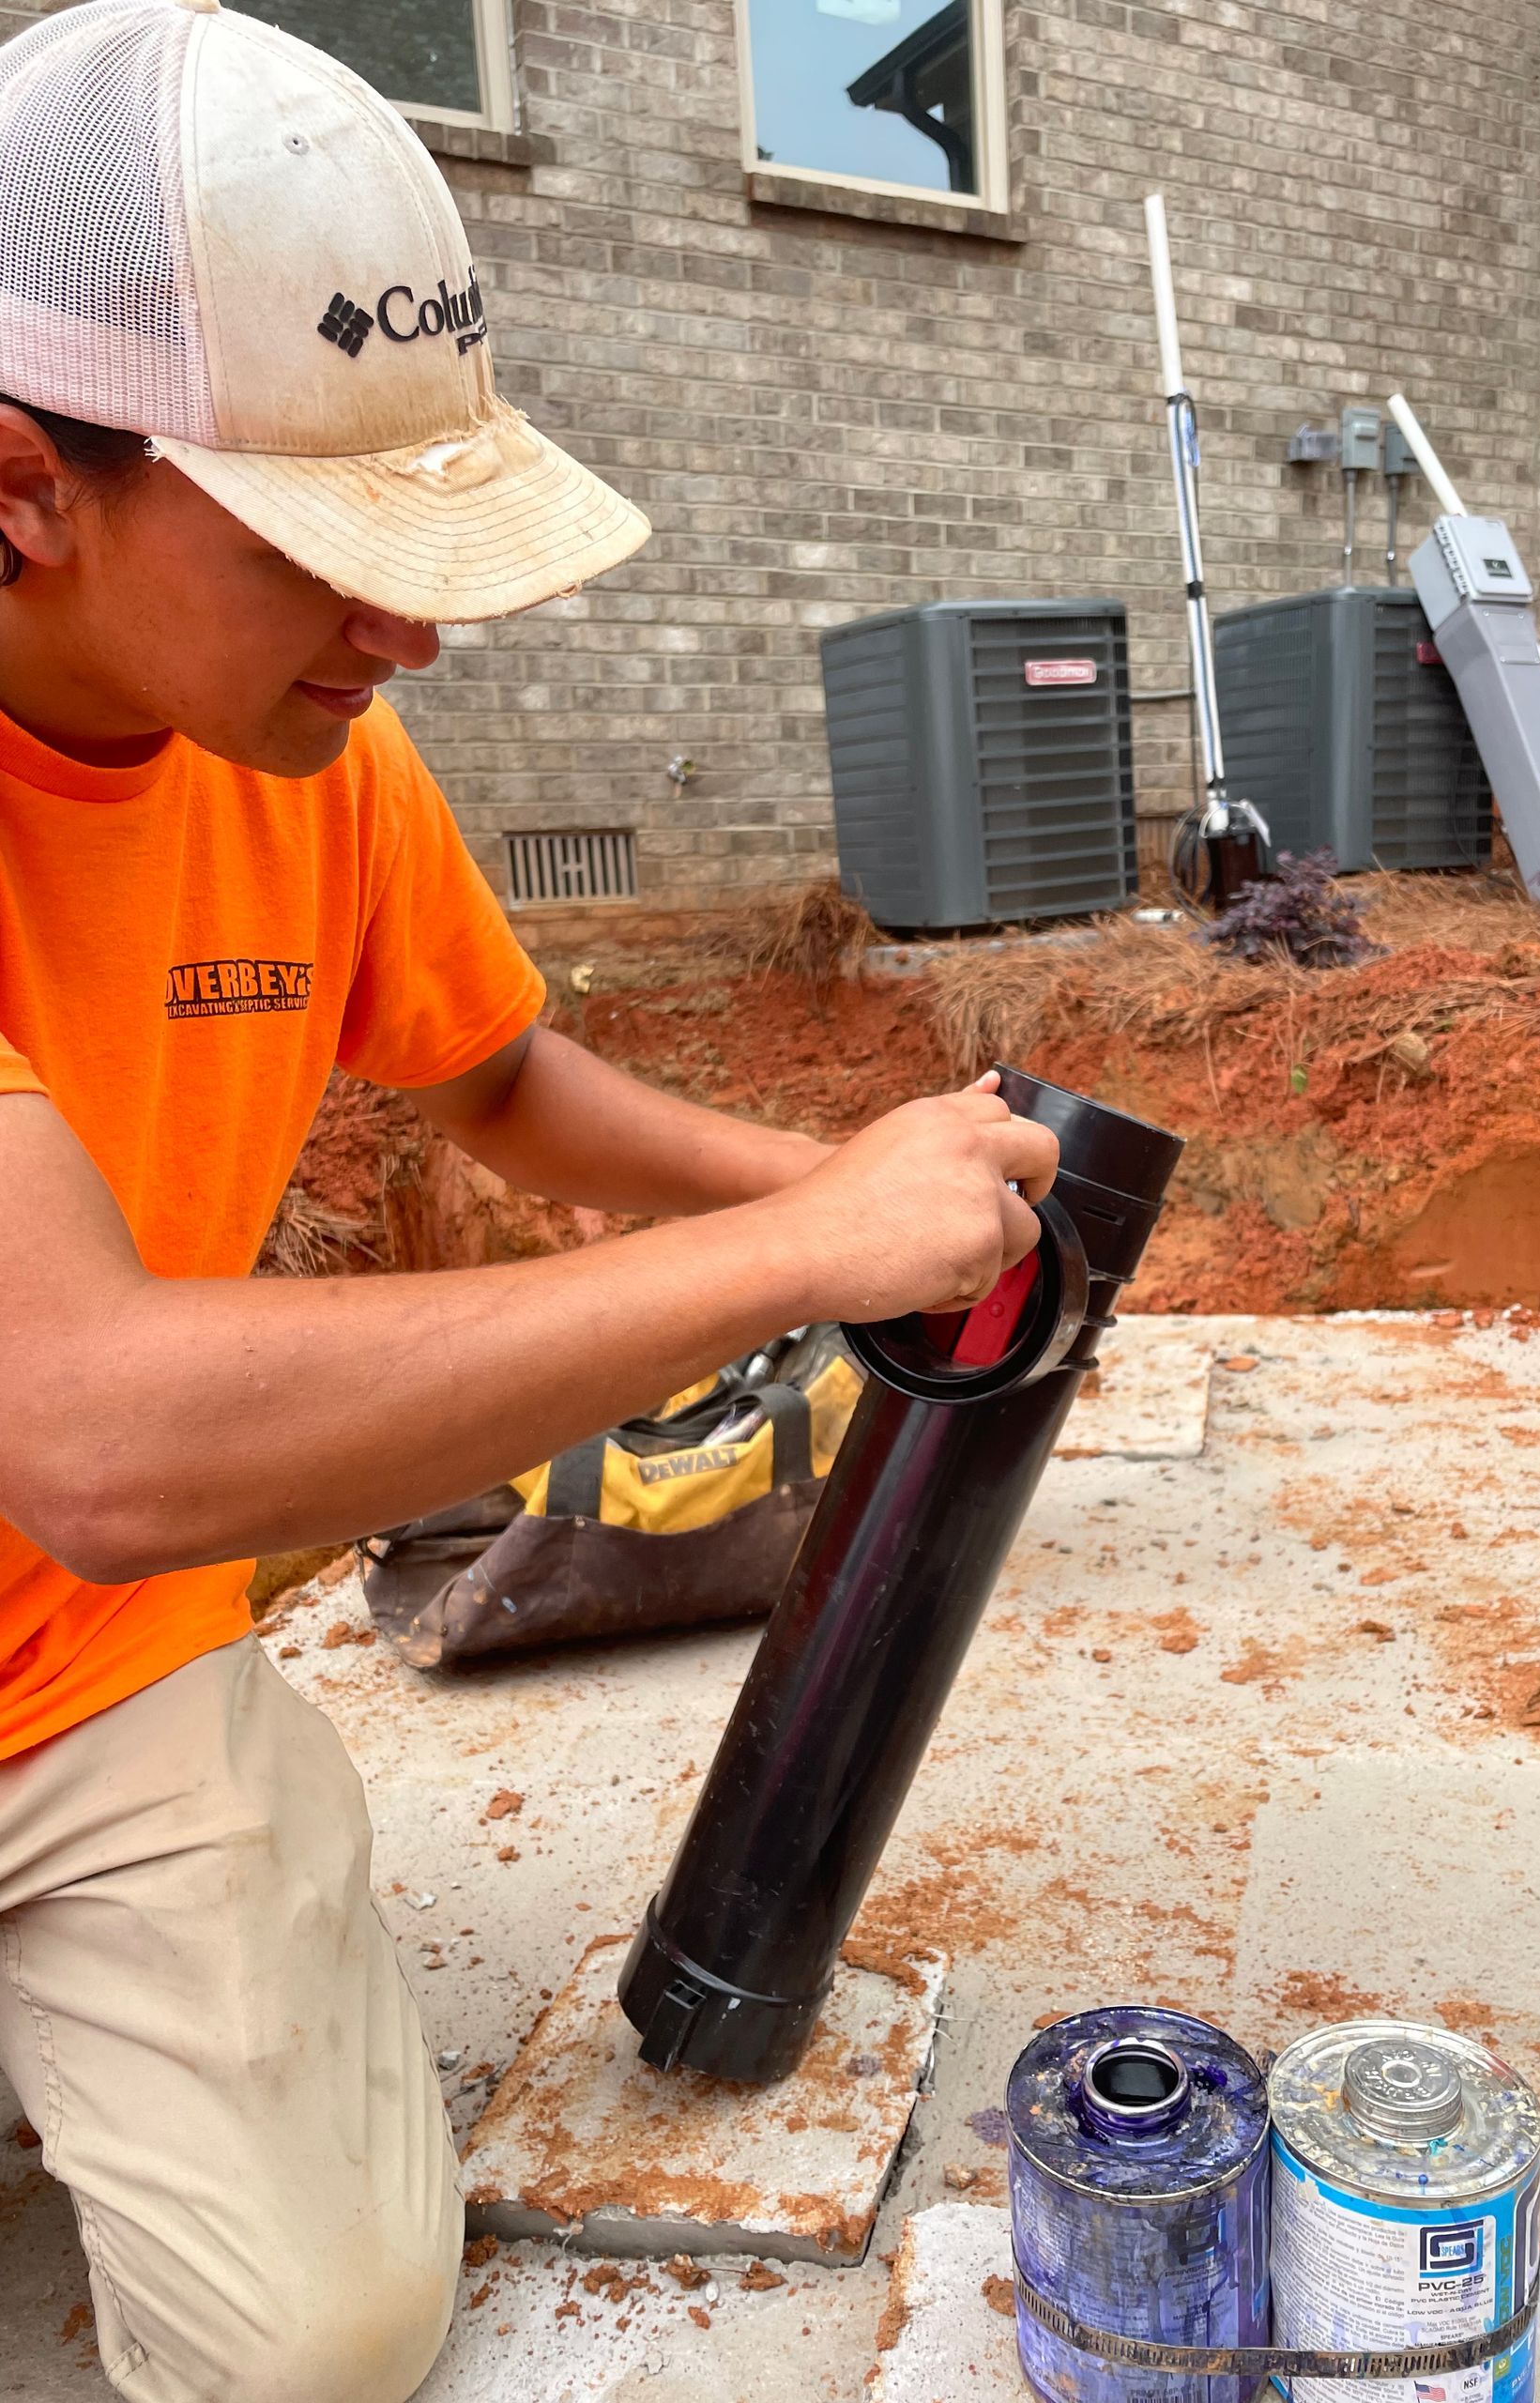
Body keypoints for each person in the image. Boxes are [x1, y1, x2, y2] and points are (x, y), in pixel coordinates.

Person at [0, 6, 1058, 2398]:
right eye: (330, 551)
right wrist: (796, 1256)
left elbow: (504, 1075)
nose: (415, 632)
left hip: (73, 1664)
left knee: (318, 2339)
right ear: (26, 485)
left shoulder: (306, 757)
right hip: (87, 1509)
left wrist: (882, 1191)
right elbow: (87, 1423)